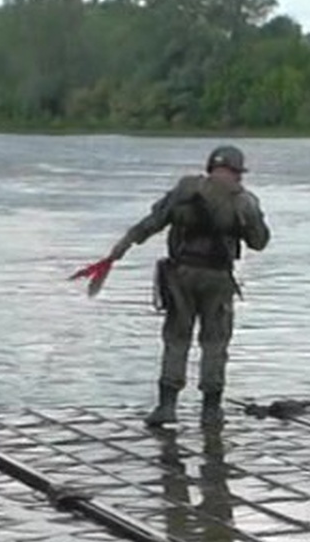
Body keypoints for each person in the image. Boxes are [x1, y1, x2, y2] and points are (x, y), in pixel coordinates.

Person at [104, 145, 271, 427]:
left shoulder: (185, 190)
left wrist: (118, 250)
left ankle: (166, 407)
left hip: (179, 275)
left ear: (210, 167)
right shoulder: (244, 201)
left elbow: (151, 222)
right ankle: (211, 410)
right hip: (218, 278)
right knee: (215, 342)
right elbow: (259, 242)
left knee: (176, 339)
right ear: (237, 172)